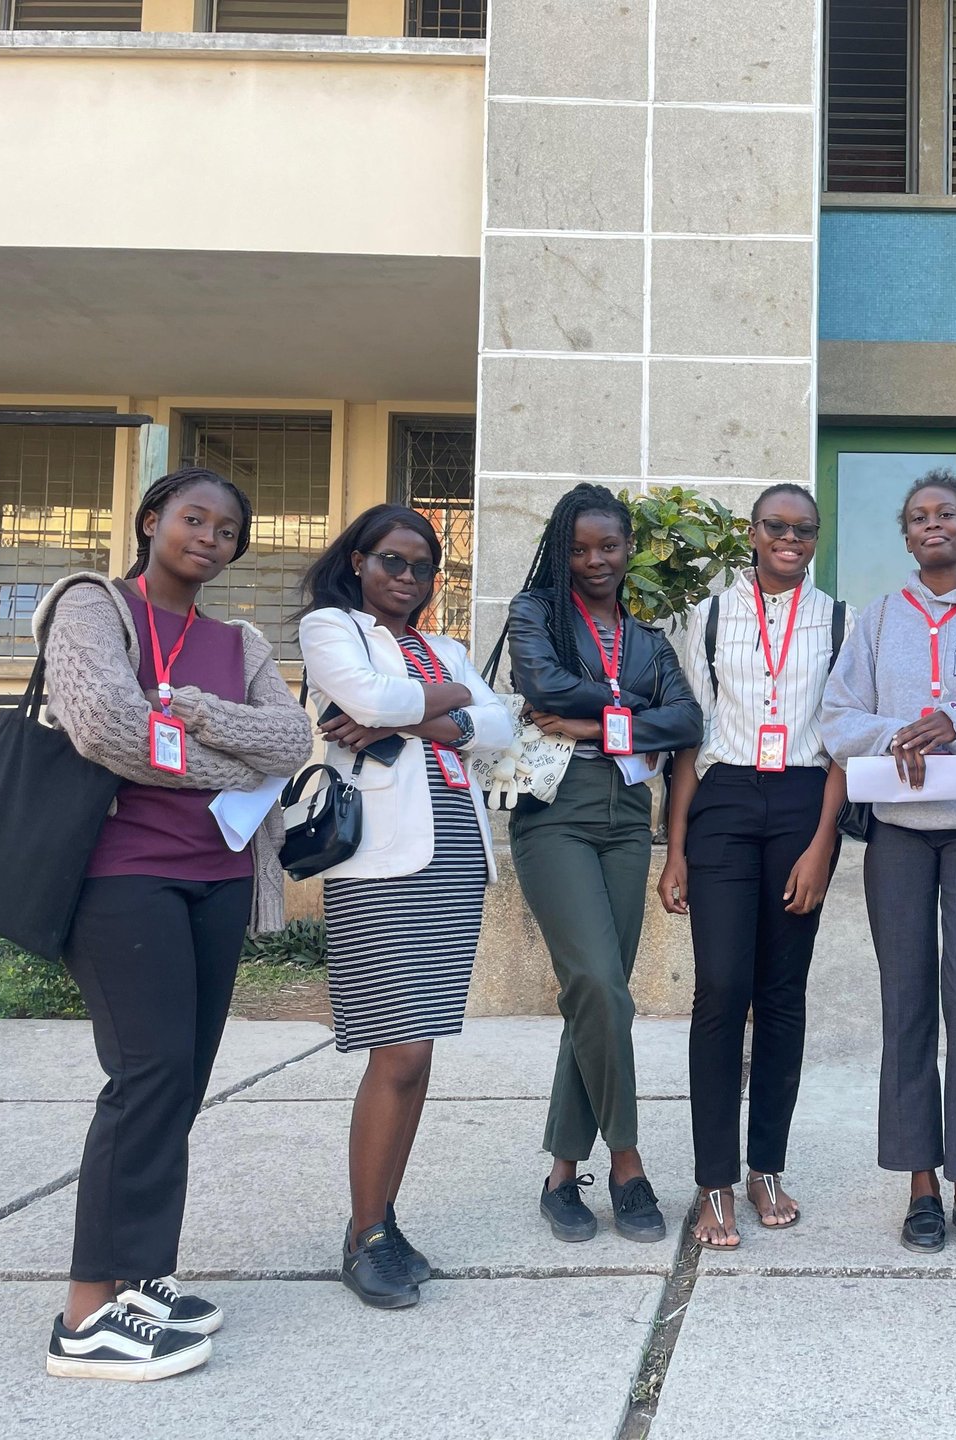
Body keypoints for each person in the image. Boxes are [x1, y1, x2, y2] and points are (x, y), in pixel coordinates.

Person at [33, 467, 311, 1380]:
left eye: (228, 530)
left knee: (180, 1081)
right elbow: (107, 726)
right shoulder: (92, 607)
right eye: (194, 518)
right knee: (145, 1076)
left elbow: (290, 740)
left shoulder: (237, 641)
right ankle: (83, 1318)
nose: (209, 538)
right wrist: (230, 761)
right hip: (124, 879)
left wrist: (188, 711)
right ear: (152, 520)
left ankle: (139, 1276)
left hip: (221, 880)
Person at [819, 471, 956, 1256]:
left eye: (946, 513)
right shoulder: (879, 619)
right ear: (907, 537)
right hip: (900, 835)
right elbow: (836, 719)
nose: (932, 524)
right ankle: (919, 1181)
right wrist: (899, 736)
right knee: (907, 999)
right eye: (918, 517)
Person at [298, 505, 513, 1308]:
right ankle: (363, 1234)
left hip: (455, 852)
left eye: (423, 567)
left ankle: (383, 1218)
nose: (409, 579)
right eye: (394, 561)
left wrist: (432, 708)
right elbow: (366, 696)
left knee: (421, 1050)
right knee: (401, 1050)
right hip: (384, 859)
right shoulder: (331, 626)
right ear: (358, 560)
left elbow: (500, 729)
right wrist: (453, 705)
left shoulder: (446, 643)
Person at [506, 483, 702, 1244]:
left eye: (608, 546)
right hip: (555, 817)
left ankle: (560, 1175)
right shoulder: (537, 616)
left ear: (629, 551)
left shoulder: (650, 639)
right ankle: (626, 1162)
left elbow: (689, 720)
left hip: (628, 824)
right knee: (595, 984)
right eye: (579, 548)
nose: (594, 560)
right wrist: (633, 714)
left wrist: (598, 722)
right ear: (562, 550)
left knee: (599, 997)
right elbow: (541, 684)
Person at [659, 484, 851, 1249]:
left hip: (805, 801)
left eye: (805, 528)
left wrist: (822, 845)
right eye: (776, 526)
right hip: (725, 801)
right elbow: (688, 742)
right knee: (721, 989)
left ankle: (766, 1165)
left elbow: (841, 741)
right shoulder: (705, 620)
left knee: (780, 995)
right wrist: (674, 850)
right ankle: (714, 1180)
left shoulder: (842, 619)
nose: (790, 539)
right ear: (753, 531)